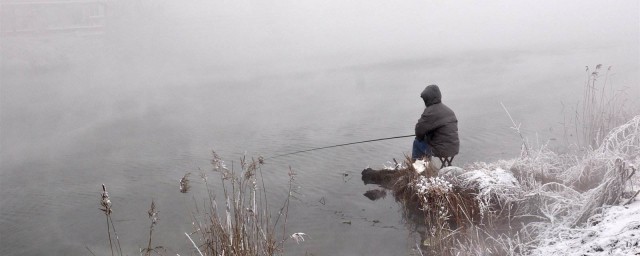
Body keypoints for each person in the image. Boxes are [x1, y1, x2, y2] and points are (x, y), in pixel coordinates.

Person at [413, 84, 459, 163]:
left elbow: (418, 132)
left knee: (417, 142)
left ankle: (419, 169)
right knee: (426, 140)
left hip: (440, 150)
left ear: (428, 99)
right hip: (454, 148)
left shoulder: (430, 111)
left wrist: (422, 136)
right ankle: (426, 168)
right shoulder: (448, 110)